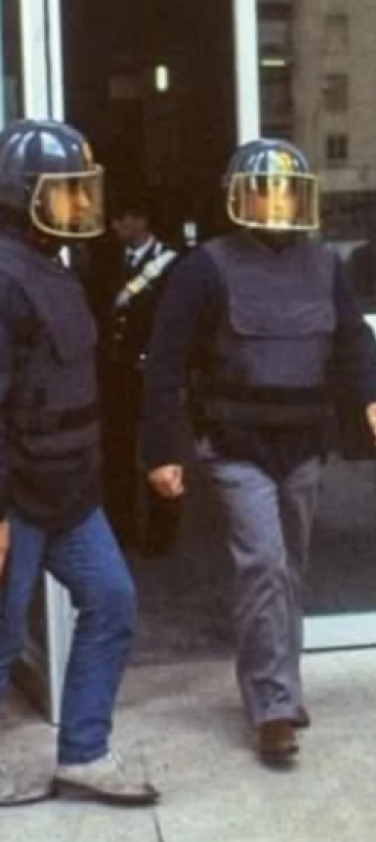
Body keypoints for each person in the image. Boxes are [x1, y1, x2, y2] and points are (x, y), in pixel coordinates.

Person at [140, 138, 376, 764]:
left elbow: (354, 341)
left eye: (286, 191)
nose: (276, 203)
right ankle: (272, 706)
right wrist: (161, 451)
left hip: (304, 445)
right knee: (261, 565)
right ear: (239, 198)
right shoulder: (205, 267)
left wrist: (374, 395)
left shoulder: (323, 265)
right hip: (237, 446)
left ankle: (284, 684)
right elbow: (165, 365)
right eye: (264, 191)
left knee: (289, 569)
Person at [0, 119, 158, 806]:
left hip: (67, 489)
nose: (82, 205)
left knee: (112, 601)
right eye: (66, 192)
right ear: (23, 196)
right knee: (3, 640)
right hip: (15, 495)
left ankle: (84, 754)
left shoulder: (54, 269)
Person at [101, 196, 181, 555]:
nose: (115, 227)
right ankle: (122, 529)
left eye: (122, 219)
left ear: (141, 220)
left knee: (158, 453)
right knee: (117, 453)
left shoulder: (171, 263)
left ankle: (161, 535)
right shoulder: (110, 261)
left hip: (154, 374)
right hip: (119, 374)